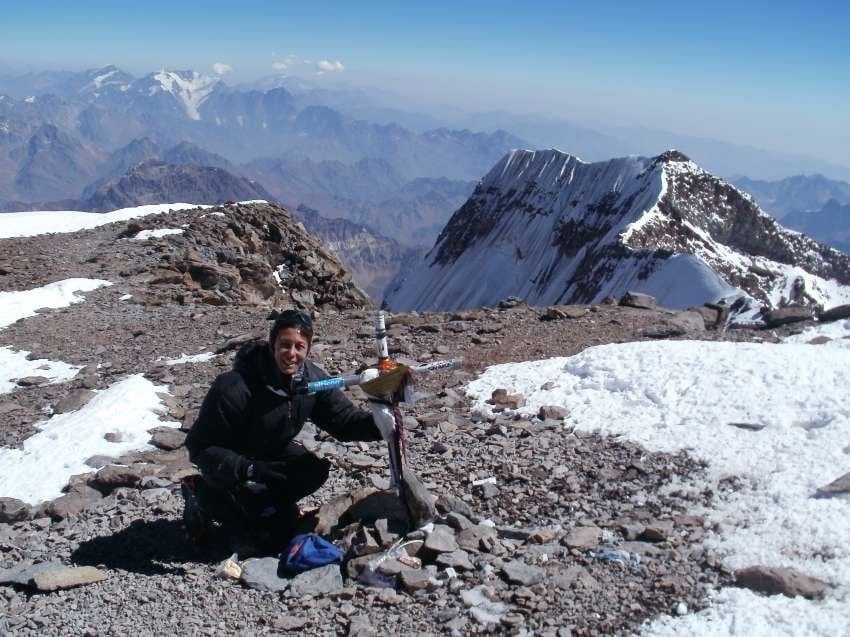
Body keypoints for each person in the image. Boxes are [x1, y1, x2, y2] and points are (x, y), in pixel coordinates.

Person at [182, 309, 382, 549]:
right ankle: (200, 494)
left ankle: (262, 509)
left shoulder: (311, 380)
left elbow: (344, 421)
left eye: (299, 346)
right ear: (272, 345)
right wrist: (249, 469)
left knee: (312, 471)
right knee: (253, 535)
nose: (291, 353)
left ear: (308, 349)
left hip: (270, 450)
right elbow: (199, 447)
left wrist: (378, 425)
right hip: (231, 462)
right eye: (285, 345)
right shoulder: (234, 387)